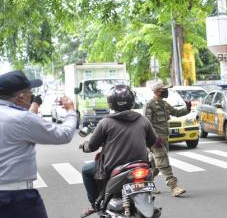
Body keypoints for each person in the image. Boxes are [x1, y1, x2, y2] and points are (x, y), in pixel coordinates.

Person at [0, 70, 77, 218]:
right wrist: (71, 111)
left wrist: (33, 105)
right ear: (21, 97)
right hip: (17, 199)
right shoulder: (22, 118)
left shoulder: (20, 117)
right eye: (31, 93)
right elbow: (64, 135)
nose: (32, 96)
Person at [79, 85, 156, 217]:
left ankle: (95, 204)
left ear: (111, 103)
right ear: (132, 101)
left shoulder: (105, 122)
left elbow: (91, 146)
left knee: (86, 170)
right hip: (141, 166)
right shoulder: (143, 120)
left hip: (114, 168)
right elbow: (153, 141)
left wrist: (84, 146)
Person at [144, 80, 190, 197]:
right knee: (163, 162)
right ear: (158, 91)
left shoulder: (164, 104)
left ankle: (145, 184)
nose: (166, 91)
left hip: (164, 138)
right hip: (155, 140)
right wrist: (154, 139)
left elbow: (176, 112)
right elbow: (147, 124)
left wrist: (187, 108)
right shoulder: (149, 105)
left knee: (155, 164)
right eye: (164, 90)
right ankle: (174, 186)